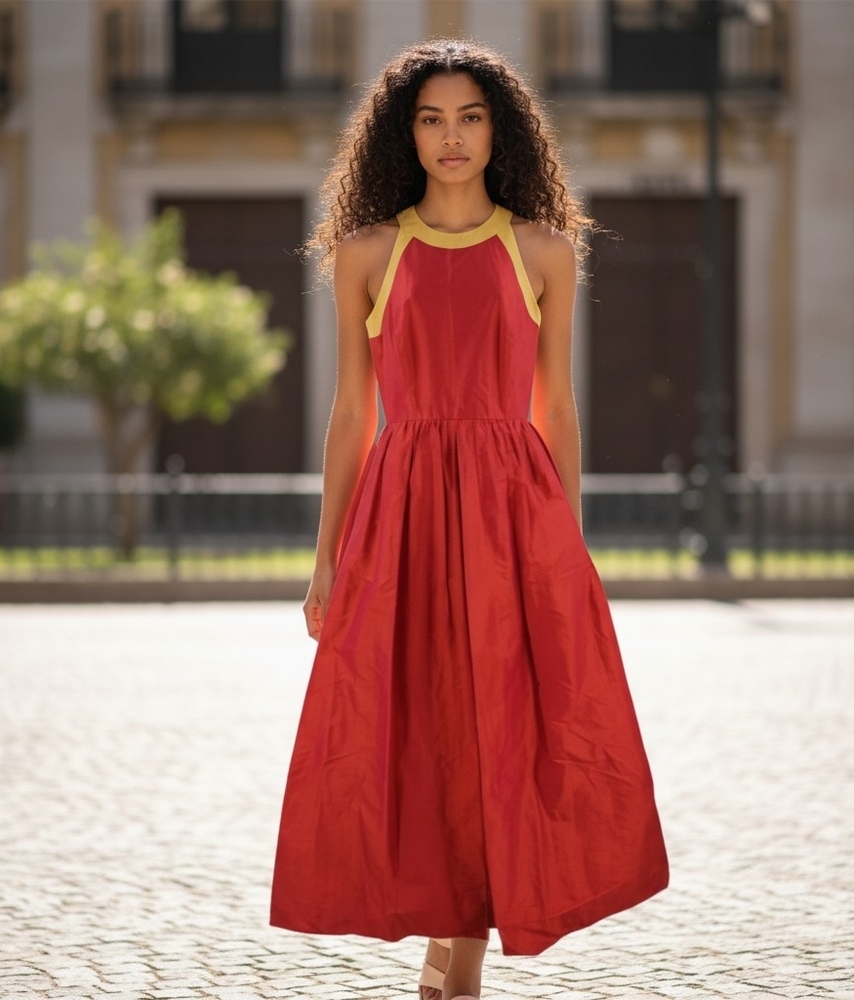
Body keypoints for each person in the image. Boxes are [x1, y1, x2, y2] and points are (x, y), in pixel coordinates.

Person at [270, 39, 669, 1000]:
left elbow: (558, 407)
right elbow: (352, 414)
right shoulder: (368, 251)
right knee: (421, 724)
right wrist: (326, 559)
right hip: (400, 516)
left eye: (471, 118)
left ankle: (461, 954)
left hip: (512, 515)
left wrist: (564, 548)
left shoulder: (543, 250)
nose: (452, 139)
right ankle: (450, 941)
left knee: (504, 726)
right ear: (404, 135)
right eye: (432, 119)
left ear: (502, 131)